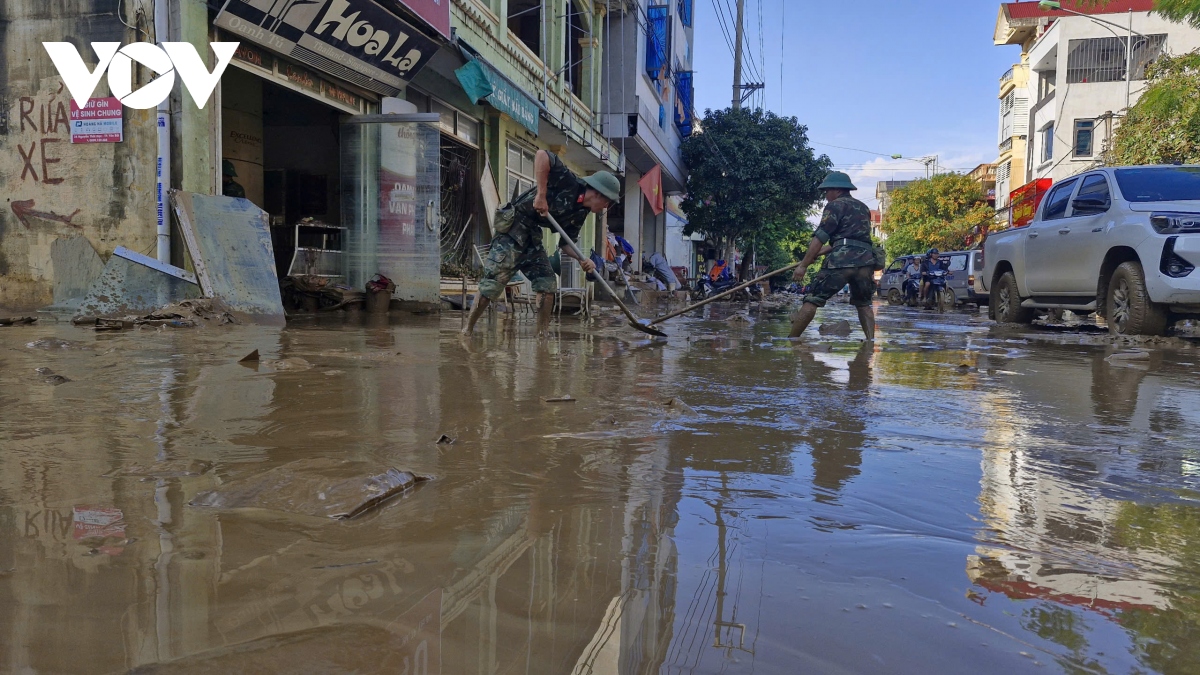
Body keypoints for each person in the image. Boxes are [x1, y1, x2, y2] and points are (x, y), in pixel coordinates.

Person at [462, 150, 621, 336]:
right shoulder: (568, 181)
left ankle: (542, 336)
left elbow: (566, 243)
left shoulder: (580, 213)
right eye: (607, 202)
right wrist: (541, 195)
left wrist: (582, 259)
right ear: (598, 194)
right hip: (512, 230)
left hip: (532, 237)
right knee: (492, 284)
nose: (605, 207)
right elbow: (542, 155)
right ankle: (467, 330)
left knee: (547, 283)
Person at [790, 171, 876, 341]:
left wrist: (803, 266)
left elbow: (820, 237)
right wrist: (817, 254)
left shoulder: (835, 206)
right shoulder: (863, 208)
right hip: (865, 262)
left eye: (827, 191)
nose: (825, 196)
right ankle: (870, 343)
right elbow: (848, 240)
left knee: (812, 299)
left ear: (836, 190)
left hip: (841, 262)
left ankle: (791, 340)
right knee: (864, 304)